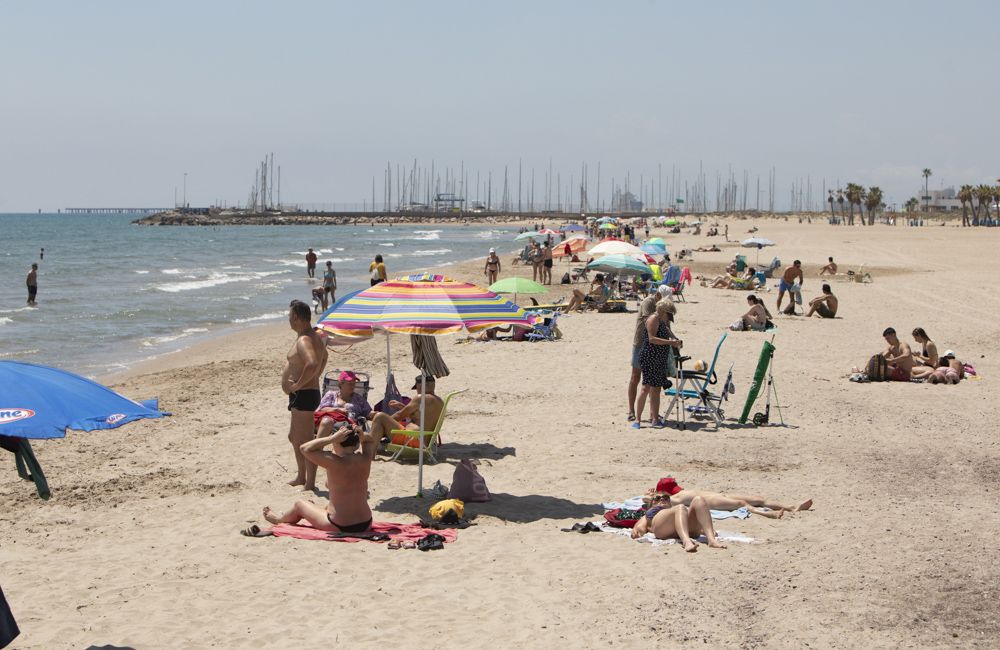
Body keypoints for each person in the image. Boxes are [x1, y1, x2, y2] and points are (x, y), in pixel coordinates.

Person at [261, 420, 376, 533]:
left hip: (340, 525)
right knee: (329, 504)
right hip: (366, 523)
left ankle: (278, 520)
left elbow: (304, 448)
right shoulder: (365, 458)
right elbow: (370, 441)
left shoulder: (334, 461)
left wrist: (330, 439)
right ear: (356, 442)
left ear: (337, 441)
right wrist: (361, 434)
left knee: (299, 505)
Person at [281, 300, 329, 490]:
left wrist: (299, 384)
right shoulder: (312, 335)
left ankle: (309, 483)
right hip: (304, 393)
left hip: (304, 393)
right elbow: (323, 357)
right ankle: (302, 476)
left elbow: (311, 362)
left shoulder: (304, 340)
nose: (289, 321)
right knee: (294, 436)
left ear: (296, 318)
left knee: (305, 440)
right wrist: (315, 376)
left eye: (290, 317)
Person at [653, 478, 812, 519]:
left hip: (717, 494)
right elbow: (655, 502)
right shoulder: (673, 499)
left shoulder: (678, 494)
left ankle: (792, 507)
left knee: (759, 498)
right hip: (711, 501)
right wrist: (651, 495)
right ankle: (767, 514)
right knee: (741, 503)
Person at [633, 301, 682, 429]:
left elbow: (666, 333)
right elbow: (652, 339)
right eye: (669, 314)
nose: (669, 318)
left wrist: (675, 340)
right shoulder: (653, 318)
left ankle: (655, 419)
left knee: (657, 388)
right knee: (646, 388)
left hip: (659, 358)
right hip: (650, 357)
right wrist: (670, 343)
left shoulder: (661, 321)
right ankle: (637, 420)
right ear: (663, 311)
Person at [628, 285, 673, 422]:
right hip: (641, 344)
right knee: (636, 377)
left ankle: (653, 414)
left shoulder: (664, 308)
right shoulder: (649, 302)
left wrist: (674, 338)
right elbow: (652, 324)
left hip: (656, 348)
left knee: (653, 382)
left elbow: (666, 326)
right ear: (658, 295)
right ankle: (631, 410)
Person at [630, 494, 726, 552]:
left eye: (665, 497)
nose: (662, 499)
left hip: (685, 528)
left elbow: (687, 522)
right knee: (680, 507)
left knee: (699, 499)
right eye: (657, 498)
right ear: (651, 505)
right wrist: (637, 531)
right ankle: (686, 541)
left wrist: (705, 530)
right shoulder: (651, 512)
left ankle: (712, 540)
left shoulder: (677, 510)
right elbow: (640, 526)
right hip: (663, 529)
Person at [367, 375, 444, 444]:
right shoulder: (440, 402)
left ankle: (369, 449)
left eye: (416, 388)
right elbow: (421, 418)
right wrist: (402, 406)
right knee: (383, 421)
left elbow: (399, 415)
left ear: (419, 386)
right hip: (426, 442)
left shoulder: (420, 398)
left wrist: (384, 422)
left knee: (380, 416)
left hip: (414, 440)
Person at [314, 371, 372, 437]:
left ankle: (317, 445)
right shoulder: (331, 394)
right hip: (328, 421)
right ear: (341, 383)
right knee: (327, 421)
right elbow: (321, 409)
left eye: (354, 383)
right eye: (350, 383)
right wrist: (337, 410)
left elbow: (369, 413)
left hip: (347, 425)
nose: (353, 386)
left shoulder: (359, 398)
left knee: (327, 422)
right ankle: (317, 445)